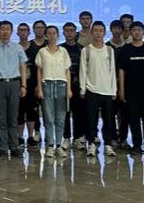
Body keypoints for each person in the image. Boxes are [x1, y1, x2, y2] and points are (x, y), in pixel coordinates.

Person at [116, 21, 144, 155]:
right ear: (131, 32)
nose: (137, 32)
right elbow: (121, 71)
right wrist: (121, 90)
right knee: (134, 120)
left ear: (143, 32)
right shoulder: (125, 50)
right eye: (134, 30)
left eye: (140, 30)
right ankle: (136, 145)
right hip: (131, 92)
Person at [0, 21, 27, 158]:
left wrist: (23, 85)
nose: (5, 31)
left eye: (8, 29)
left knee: (13, 117)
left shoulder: (18, 48)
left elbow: (22, 67)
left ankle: (14, 146)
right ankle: (3, 147)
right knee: (1, 117)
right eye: (2, 29)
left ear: (11, 31)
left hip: (14, 83)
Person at [79, 21, 117, 157]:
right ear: (92, 32)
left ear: (104, 33)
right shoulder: (86, 50)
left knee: (108, 120)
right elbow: (83, 70)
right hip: (91, 90)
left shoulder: (109, 50)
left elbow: (112, 71)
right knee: (91, 120)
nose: (98, 33)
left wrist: (113, 90)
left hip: (106, 90)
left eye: (101, 31)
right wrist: (82, 89)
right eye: (95, 30)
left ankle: (108, 145)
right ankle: (91, 144)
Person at [36, 25, 71, 158]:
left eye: (54, 33)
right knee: (48, 117)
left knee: (61, 118)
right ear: (46, 35)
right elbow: (39, 71)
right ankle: (50, 145)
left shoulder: (63, 51)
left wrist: (69, 89)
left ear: (58, 35)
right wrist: (40, 88)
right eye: (49, 33)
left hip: (61, 85)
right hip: (47, 85)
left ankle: (59, 145)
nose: (52, 36)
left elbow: (67, 71)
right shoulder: (42, 52)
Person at [19, 20, 45, 149]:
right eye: (21, 30)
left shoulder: (35, 49)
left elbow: (39, 69)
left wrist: (38, 85)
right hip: (18, 85)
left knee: (31, 112)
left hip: (33, 85)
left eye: (25, 30)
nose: (23, 32)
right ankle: (19, 137)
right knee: (19, 112)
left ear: (29, 32)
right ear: (17, 33)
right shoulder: (15, 48)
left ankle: (31, 136)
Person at [61, 22, 85, 150]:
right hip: (63, 85)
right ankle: (66, 137)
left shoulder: (82, 49)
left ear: (76, 32)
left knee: (79, 113)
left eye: (71, 30)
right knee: (64, 112)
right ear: (63, 33)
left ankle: (77, 138)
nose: (69, 33)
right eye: (67, 30)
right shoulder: (60, 49)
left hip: (78, 85)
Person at [107, 20, 130, 149]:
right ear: (111, 30)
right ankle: (113, 138)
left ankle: (123, 138)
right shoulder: (106, 47)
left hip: (125, 85)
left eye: (119, 28)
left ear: (122, 30)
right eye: (114, 28)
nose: (116, 31)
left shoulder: (127, 47)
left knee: (125, 114)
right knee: (110, 113)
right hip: (109, 86)